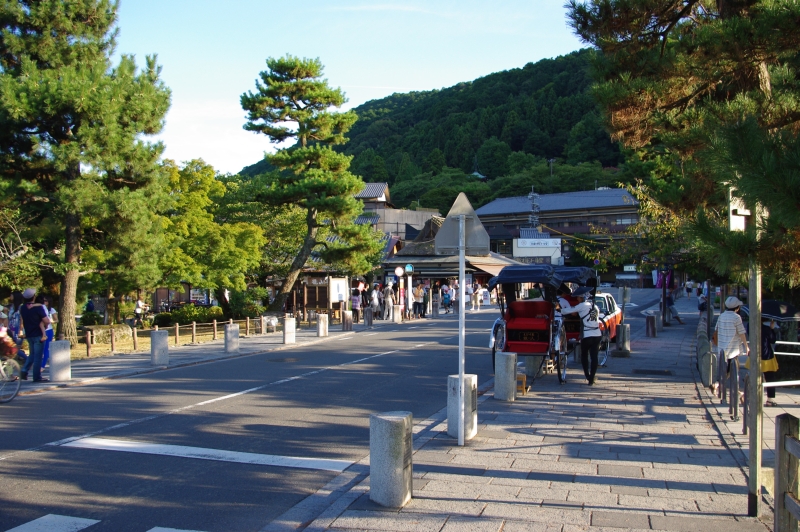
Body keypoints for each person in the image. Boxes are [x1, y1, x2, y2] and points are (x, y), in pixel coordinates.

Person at [560, 286, 605, 386]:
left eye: (578, 297)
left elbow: (568, 311)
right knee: (594, 356)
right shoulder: (595, 306)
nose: (577, 299)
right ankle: (592, 378)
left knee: (584, 355)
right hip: (597, 334)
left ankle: (587, 375)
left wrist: (559, 309)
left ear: (582, 297)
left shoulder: (582, 305)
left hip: (587, 334)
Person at [713, 296, 750, 395]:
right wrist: (746, 346)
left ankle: (732, 390)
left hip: (721, 346)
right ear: (737, 308)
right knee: (733, 370)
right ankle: (719, 384)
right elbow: (742, 333)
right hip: (733, 348)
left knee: (727, 368)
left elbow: (716, 329)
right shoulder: (736, 317)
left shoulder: (722, 316)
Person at [19, 288, 51, 382]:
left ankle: (24, 370)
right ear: (34, 297)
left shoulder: (23, 308)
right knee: (38, 356)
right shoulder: (38, 308)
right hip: (38, 334)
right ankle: (37, 377)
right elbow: (46, 320)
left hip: (29, 333)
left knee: (32, 354)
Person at [38, 295, 57, 369]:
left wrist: (51, 321)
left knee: (46, 348)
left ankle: (42, 366)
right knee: (41, 349)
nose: (44, 302)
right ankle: (48, 359)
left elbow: (56, 320)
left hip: (48, 330)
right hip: (40, 330)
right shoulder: (40, 308)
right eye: (44, 300)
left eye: (46, 301)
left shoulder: (51, 310)